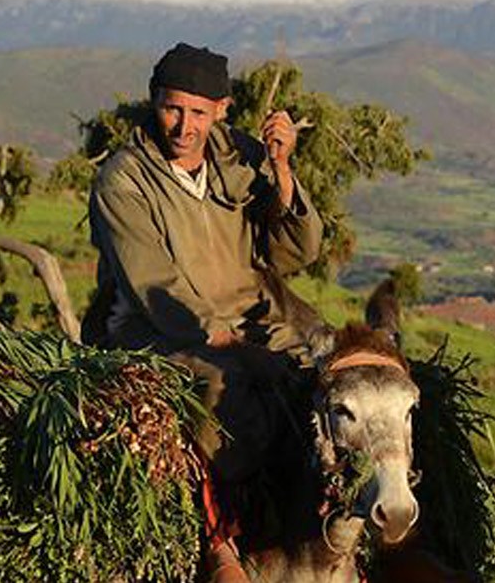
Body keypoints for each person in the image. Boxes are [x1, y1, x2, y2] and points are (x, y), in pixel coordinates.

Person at [86, 42, 323, 581]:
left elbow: (295, 253)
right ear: (154, 102)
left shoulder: (239, 154)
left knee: (329, 375)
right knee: (224, 388)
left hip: (248, 314)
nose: (183, 125)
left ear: (222, 109)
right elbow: (152, 281)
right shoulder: (123, 180)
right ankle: (222, 534)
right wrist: (225, 339)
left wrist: (282, 170)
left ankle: (323, 517)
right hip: (158, 327)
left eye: (197, 111)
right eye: (172, 108)